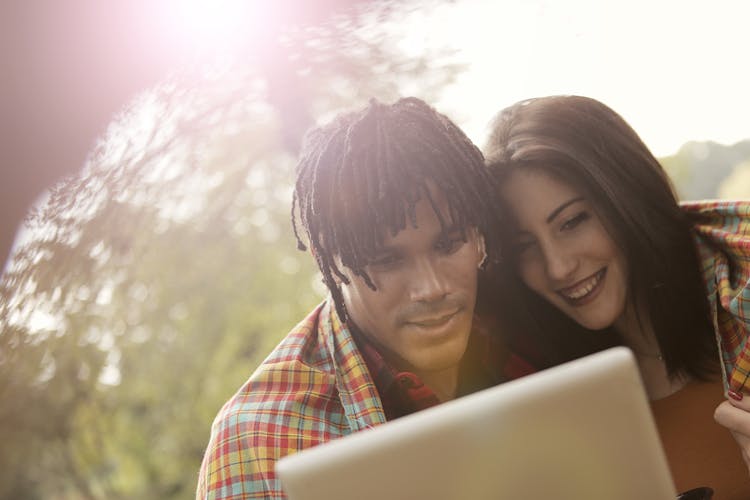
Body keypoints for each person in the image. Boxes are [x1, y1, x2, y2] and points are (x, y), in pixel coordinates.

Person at [195, 97, 527, 499]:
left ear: (477, 234)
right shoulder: (254, 442)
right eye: (387, 260)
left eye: (449, 243)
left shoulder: (539, 315)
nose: (431, 287)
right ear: (327, 262)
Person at [482, 94, 750, 498]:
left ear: (627, 197)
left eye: (572, 221)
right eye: (524, 246)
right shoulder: (541, 392)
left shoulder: (741, 308)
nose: (557, 267)